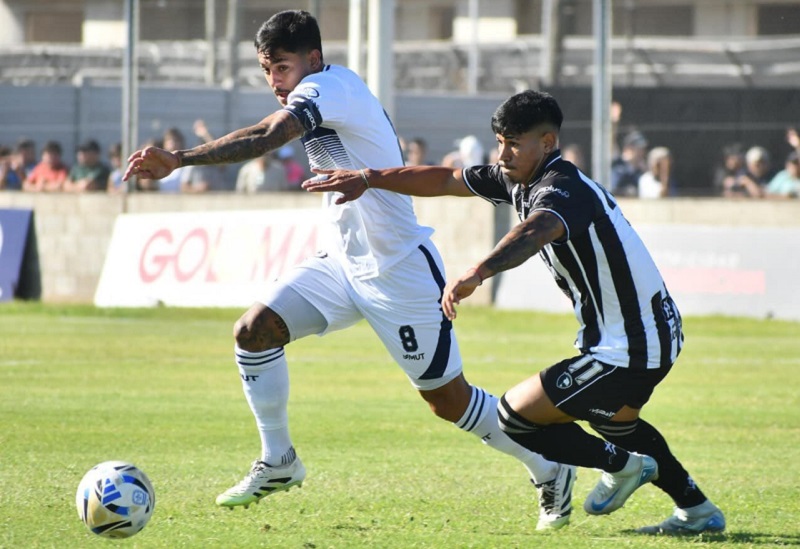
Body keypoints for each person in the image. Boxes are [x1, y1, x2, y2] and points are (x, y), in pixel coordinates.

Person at [123, 10, 573, 530]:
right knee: (254, 331)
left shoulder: (328, 87)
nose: (274, 80)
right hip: (339, 264)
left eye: (282, 67)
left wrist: (180, 159)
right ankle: (279, 461)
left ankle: (549, 467)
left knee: (449, 402)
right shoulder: (312, 91)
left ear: (312, 60)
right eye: (266, 69)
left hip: (397, 269)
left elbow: (271, 134)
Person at [304, 89, 726, 536]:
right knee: (617, 423)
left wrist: (477, 272)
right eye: (499, 141)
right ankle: (696, 510)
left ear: (547, 143)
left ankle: (625, 468)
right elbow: (447, 179)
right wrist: (368, 178)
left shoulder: (561, 186)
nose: (502, 154)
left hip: (633, 344)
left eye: (514, 143)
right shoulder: (516, 176)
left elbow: (537, 229)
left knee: (515, 417)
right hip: (639, 335)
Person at [610, 130, 648, 197]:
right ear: (628, 149)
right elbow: (612, 189)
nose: (641, 153)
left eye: (642, 150)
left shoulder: (641, 171)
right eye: (638, 149)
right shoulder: (619, 166)